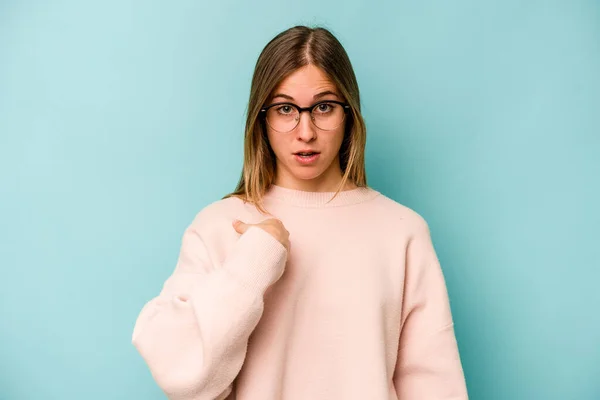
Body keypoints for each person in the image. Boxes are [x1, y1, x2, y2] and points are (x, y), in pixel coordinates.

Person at [131, 25, 468, 400]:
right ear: (262, 118)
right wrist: (255, 261)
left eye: (324, 107)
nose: (304, 131)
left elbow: (435, 387)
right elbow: (184, 376)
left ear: (348, 114)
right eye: (285, 108)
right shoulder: (219, 226)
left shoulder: (402, 231)